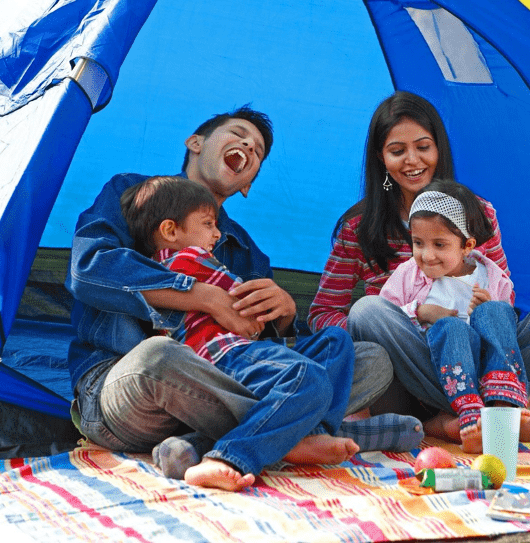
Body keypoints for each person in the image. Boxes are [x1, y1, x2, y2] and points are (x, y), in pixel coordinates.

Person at [66, 106, 419, 490]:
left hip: (220, 387)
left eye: (258, 153)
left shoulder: (249, 254)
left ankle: (212, 444)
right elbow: (89, 268)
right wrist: (205, 296)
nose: (248, 148)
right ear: (195, 143)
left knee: (367, 357)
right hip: (133, 384)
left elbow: (258, 358)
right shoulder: (133, 193)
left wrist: (281, 318)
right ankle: (292, 434)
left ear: (248, 183)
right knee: (158, 354)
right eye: (238, 135)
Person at [308, 91, 530, 444]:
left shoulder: (479, 213)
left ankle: (482, 410)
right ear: (381, 159)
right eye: (397, 151)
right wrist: (405, 320)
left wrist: (485, 311)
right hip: (415, 366)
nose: (412, 160)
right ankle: (494, 419)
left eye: (423, 146)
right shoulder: (359, 227)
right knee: (368, 312)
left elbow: (502, 297)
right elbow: (322, 312)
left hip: (486, 356)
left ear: (439, 149)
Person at [380, 180, 530, 453]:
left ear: (467, 245)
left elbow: (503, 336)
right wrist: (421, 312)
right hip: (433, 373)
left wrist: (487, 311)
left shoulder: (492, 277)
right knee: (449, 327)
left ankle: (502, 404)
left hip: (486, 370)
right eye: (418, 243)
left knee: (498, 310)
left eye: (439, 244)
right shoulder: (408, 274)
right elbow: (385, 314)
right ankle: (472, 412)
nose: (427, 255)